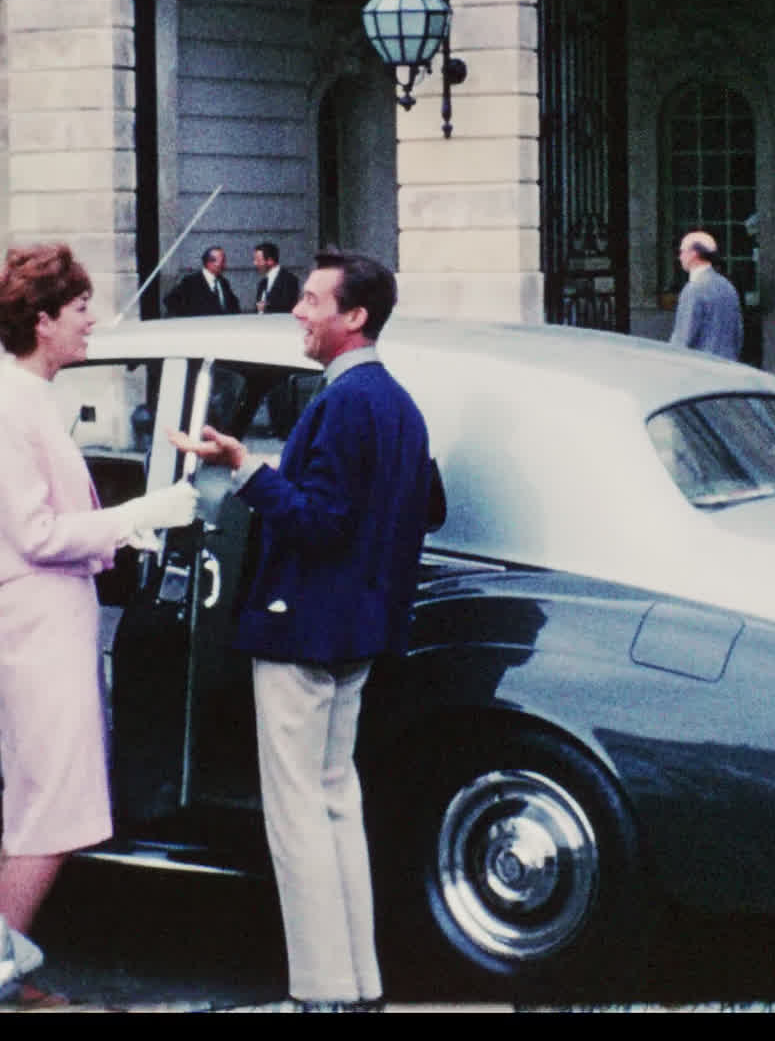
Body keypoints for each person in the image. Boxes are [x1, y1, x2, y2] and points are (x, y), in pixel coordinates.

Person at [169, 250, 442, 1010]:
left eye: (314, 300)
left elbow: (320, 523)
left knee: (297, 817)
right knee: (335, 804)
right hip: (360, 632)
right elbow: (426, 505)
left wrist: (248, 470)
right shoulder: (399, 404)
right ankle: (357, 985)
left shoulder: (341, 403)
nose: (299, 309)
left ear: (353, 317)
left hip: (303, 631)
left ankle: (319, 992)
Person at [0, 243, 198, 952]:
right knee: (51, 808)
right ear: (41, 321)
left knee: (40, 803)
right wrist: (142, 514)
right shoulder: (6, 404)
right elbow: (34, 534)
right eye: (79, 309)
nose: (92, 321)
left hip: (56, 612)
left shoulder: (29, 397)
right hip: (36, 614)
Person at [668, 230, 744, 361]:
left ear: (693, 254)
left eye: (682, 251)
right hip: (728, 367)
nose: (680, 257)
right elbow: (738, 334)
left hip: (700, 370)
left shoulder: (693, 288)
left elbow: (682, 339)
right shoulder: (727, 286)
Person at [163, 245, 241, 316]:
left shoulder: (223, 283)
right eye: (222, 261)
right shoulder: (190, 281)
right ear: (209, 262)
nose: (225, 265)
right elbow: (169, 300)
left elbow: (234, 307)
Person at [254, 242, 299, 313]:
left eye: (258, 260)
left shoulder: (288, 279)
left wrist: (267, 307)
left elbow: (288, 306)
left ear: (270, 261)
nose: (255, 263)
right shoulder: (262, 283)